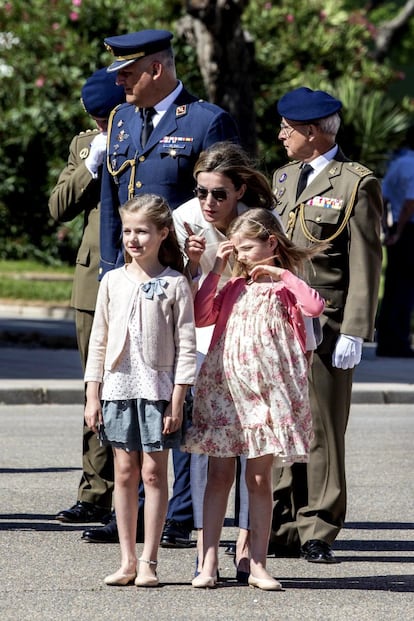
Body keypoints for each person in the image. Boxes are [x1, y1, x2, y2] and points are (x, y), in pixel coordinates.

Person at [86, 28, 240, 548]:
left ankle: (180, 513)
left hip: (189, 280)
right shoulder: (122, 119)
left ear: (157, 69)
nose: (120, 83)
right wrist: (113, 272)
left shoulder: (205, 120)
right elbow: (114, 202)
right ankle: (129, 511)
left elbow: (223, 207)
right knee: (131, 388)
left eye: (127, 73)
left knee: (181, 394)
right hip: (131, 279)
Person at [182, 208, 325, 590]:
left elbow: (314, 306)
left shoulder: (285, 288)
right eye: (237, 248)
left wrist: (282, 274)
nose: (241, 255)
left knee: (259, 477)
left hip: (269, 393)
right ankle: (207, 559)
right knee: (219, 475)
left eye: (247, 247)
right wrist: (216, 268)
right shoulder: (232, 287)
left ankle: (258, 562)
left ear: (271, 243)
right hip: (226, 388)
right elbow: (199, 315)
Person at [270, 87, 383, 563]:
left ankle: (319, 525)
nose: (280, 134)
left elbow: (367, 261)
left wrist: (355, 329)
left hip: (328, 323)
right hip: (277, 322)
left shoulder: (355, 183)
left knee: (320, 427)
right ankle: (282, 523)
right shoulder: (281, 177)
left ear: (312, 132)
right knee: (280, 424)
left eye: (287, 128)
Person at [173, 141, 278, 581]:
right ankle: (207, 555)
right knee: (212, 463)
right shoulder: (184, 219)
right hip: (204, 346)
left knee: (255, 466)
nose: (208, 202)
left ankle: (248, 552)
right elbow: (176, 292)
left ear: (239, 190)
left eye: (219, 193)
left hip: (254, 355)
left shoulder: (255, 224)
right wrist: (194, 264)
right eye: (202, 192)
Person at [84, 194, 197, 587]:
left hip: (158, 389)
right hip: (117, 386)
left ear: (163, 233)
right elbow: (98, 340)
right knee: (125, 471)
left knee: (153, 471)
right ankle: (127, 559)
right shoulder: (112, 280)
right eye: (128, 231)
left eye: (142, 231)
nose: (133, 239)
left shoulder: (174, 283)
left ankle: (150, 561)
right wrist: (92, 393)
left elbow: (186, 346)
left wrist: (178, 400)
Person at [49, 68, 125, 525]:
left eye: (107, 118)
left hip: (141, 275)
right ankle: (95, 492)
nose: (102, 126)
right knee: (94, 389)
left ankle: (139, 497)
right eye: (95, 119)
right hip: (92, 281)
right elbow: (59, 206)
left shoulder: (148, 136)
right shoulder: (85, 145)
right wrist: (90, 164)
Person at [376, 125, 414, 358]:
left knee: (393, 285)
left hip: (399, 229)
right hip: (408, 228)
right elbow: (411, 202)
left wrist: (385, 226)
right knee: (406, 288)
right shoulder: (411, 164)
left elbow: (383, 196)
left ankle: (387, 339)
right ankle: (398, 341)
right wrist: (399, 230)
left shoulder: (399, 163)